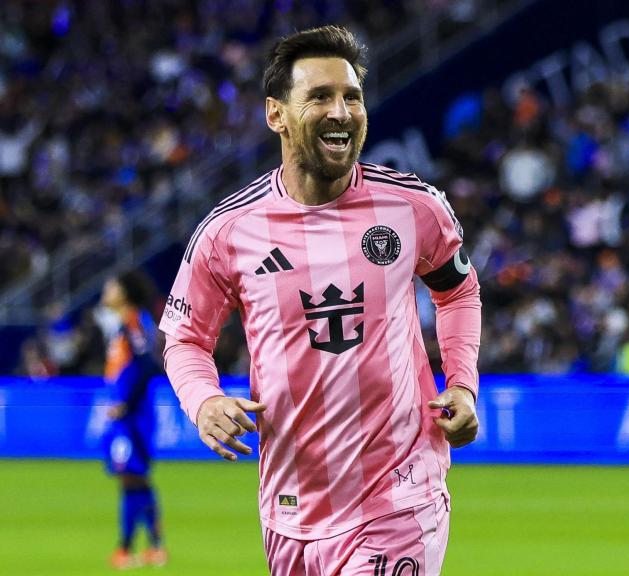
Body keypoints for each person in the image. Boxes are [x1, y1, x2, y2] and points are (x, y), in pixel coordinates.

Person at [159, 25, 481, 576]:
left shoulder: (413, 208)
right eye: (320, 97)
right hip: (289, 507)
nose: (341, 111)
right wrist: (204, 401)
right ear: (275, 114)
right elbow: (184, 337)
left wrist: (463, 383)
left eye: (352, 97)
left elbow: (458, 291)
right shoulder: (229, 231)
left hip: (398, 495)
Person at [100, 270, 167, 569]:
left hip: (133, 416)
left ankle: (127, 549)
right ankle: (153, 548)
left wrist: (125, 404)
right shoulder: (127, 324)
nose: (107, 289)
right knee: (134, 478)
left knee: (130, 478)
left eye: (112, 285)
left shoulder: (134, 323)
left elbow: (148, 363)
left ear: (125, 292)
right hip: (130, 414)